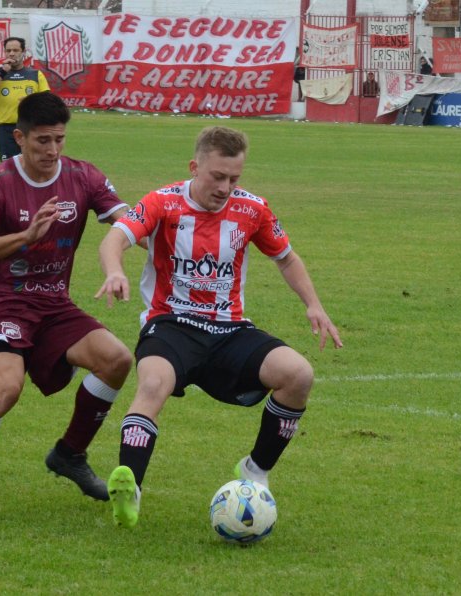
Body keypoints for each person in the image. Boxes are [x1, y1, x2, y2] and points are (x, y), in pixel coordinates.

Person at [96, 126, 343, 528]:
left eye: (234, 178)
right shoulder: (162, 202)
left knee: (298, 375)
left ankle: (255, 471)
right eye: (218, 176)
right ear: (195, 167)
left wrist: (314, 305)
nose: (226, 187)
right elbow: (115, 239)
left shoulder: (253, 209)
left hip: (230, 329)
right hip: (171, 324)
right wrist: (113, 271)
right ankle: (131, 488)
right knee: (153, 384)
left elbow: (286, 258)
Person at [0, 91, 134, 518]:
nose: (52, 150)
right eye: (42, 141)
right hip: (4, 305)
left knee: (116, 359)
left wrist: (167, 225)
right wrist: (25, 237)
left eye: (59, 139)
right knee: (7, 389)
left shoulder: (83, 176)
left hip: (55, 305)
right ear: (19, 137)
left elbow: (130, 222)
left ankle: (69, 455)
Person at [0, 37, 50, 161]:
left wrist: (32, 101)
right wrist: (2, 73)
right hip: (6, 130)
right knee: (8, 169)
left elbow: (48, 101)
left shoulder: (35, 75)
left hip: (30, 127)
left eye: (15, 50)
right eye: (8, 50)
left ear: (23, 52)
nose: (11, 53)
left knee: (32, 165)